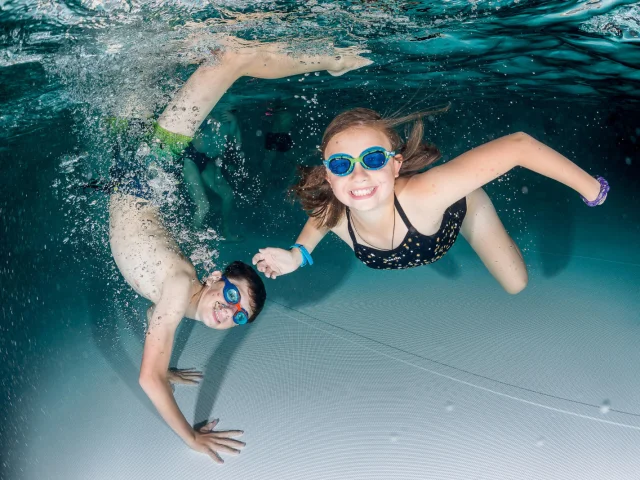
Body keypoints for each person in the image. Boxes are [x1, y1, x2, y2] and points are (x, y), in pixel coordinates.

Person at [108, 35, 373, 462]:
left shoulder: (177, 297)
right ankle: (332, 59)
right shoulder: (179, 285)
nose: (229, 311)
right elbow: (147, 380)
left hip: (139, 174)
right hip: (145, 167)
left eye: (239, 316)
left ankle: (152, 46)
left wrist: (165, 365)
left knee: (140, 75)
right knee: (228, 59)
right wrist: (191, 437)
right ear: (214, 277)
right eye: (232, 296)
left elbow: (154, 314)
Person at [252, 107, 609, 293]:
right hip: (417, 226)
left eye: (373, 159)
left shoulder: (429, 193)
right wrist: (297, 256)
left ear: (395, 165)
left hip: (457, 208)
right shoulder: (333, 209)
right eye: (342, 165)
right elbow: (319, 219)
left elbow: (518, 145)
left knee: (517, 286)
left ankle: (473, 199)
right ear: (329, 176)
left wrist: (593, 189)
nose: (357, 176)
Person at [184, 107, 244, 240]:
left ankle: (225, 231)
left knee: (228, 195)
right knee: (203, 205)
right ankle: (190, 241)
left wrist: (234, 121)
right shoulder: (210, 108)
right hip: (189, 158)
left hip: (206, 161)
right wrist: (207, 116)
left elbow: (237, 144)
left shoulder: (228, 118)